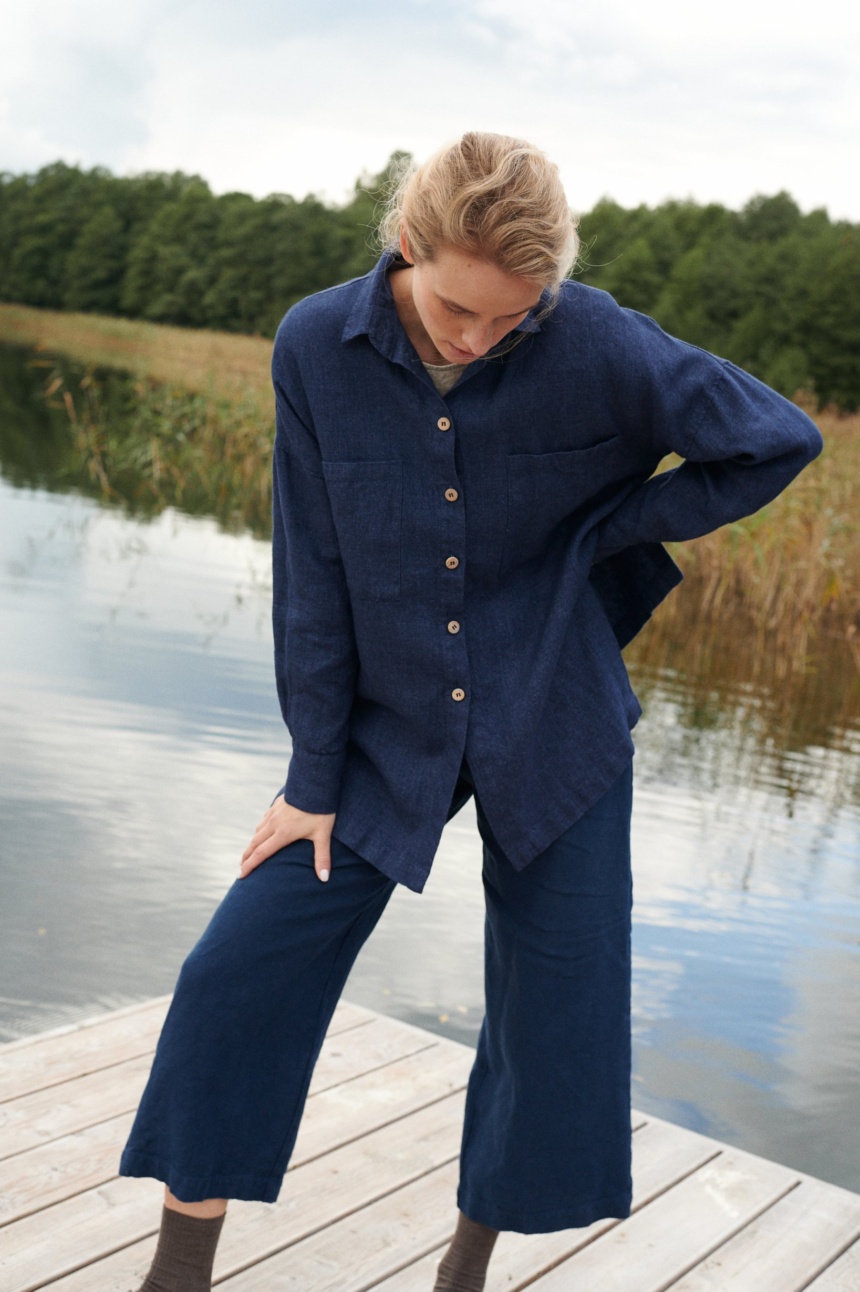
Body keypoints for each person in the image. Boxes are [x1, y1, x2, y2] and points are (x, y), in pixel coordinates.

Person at [119, 132, 823, 1291]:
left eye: (511, 318)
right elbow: (312, 569)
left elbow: (773, 437)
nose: (477, 336)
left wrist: (601, 535)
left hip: (554, 703)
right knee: (236, 971)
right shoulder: (314, 344)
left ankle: (464, 1271)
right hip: (384, 721)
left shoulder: (591, 335)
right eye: (458, 309)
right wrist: (310, 773)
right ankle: (176, 1272)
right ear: (407, 242)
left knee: (552, 1006)